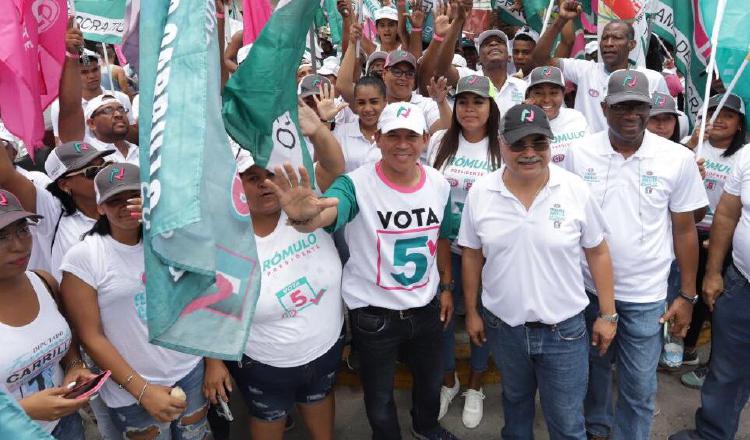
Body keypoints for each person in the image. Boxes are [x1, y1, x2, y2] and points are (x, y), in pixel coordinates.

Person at [265, 102, 459, 440]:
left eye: (410, 136)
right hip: (374, 314)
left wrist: (446, 286)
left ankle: (425, 427)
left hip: (425, 308)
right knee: (379, 396)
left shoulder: (439, 184)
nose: (402, 144)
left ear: (425, 139)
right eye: (393, 136)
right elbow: (329, 212)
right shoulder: (355, 184)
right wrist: (306, 216)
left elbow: (441, 236)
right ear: (378, 139)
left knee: (429, 381)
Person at [562, 70, 708, 440]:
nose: (631, 115)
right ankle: (596, 429)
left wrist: (686, 295)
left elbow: (685, 230)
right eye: (622, 106)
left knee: (639, 388)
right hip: (588, 291)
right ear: (604, 106)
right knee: (595, 374)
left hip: (646, 297)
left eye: (639, 107)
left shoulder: (676, 158)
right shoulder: (579, 154)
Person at [460, 103, 616, 439]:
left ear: (550, 144)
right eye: (519, 144)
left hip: (565, 331)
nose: (529, 153)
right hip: (505, 328)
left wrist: (608, 314)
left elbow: (598, 250)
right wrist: (471, 312)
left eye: (539, 143)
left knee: (566, 420)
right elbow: (472, 254)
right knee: (515, 405)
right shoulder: (481, 192)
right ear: (501, 143)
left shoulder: (574, 189)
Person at [59, 163, 213, 439]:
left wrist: (213, 361)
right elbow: (90, 336)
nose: (126, 206)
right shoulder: (84, 257)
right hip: (131, 388)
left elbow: (197, 297)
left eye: (134, 195)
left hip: (189, 369)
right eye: (114, 200)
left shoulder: (169, 238)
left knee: (196, 435)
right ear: (100, 208)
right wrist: (142, 390)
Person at [225, 98, 346, 440]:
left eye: (271, 174)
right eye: (253, 177)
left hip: (324, 350)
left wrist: (319, 131)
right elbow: (209, 307)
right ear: (237, 184)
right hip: (264, 365)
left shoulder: (305, 205)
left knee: (321, 413)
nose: (265, 183)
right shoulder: (227, 239)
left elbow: (335, 167)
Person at [425, 75, 501, 429]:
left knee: (480, 320)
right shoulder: (441, 139)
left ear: (491, 107)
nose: (469, 109)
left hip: (487, 255)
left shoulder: (501, 145)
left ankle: (475, 383)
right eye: (463, 102)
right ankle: (448, 379)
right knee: (442, 317)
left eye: (478, 102)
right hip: (443, 249)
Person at [668, 140, 750, 440]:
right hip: (743, 284)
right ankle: (712, 434)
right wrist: (713, 272)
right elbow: (727, 214)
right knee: (727, 371)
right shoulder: (748, 155)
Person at [0, 189, 95, 439]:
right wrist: (23, 410)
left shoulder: (44, 282)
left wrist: (74, 366)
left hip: (67, 425)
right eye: (1, 237)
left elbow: (67, 335)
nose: (19, 246)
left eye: (22, 230)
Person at [680, 94, 747, 389]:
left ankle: (706, 361)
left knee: (712, 303)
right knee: (685, 293)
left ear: (739, 125)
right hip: (686, 233)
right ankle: (682, 348)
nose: (718, 119)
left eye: (727, 115)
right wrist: (691, 146)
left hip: (719, 241)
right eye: (713, 112)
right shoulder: (692, 145)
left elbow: (732, 211)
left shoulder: (742, 156)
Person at [527, 1, 669, 133]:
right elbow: (540, 59)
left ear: (631, 44)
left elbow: (665, 120)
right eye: (605, 38)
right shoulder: (585, 71)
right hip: (589, 157)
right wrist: (561, 20)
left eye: (617, 38)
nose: (609, 43)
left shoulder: (653, 79)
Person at [0, 141, 114, 282]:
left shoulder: (122, 206)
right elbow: (5, 174)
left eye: (106, 167)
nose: (102, 175)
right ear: (64, 184)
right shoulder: (53, 212)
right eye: (91, 172)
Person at [420, 1, 527, 116]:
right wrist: (457, 23)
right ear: (479, 58)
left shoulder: (523, 87)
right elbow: (442, 69)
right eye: (486, 44)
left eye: (500, 42)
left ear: (509, 56)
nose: (493, 44)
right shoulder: (469, 78)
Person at [52, 22, 134, 145]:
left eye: (95, 70)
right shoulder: (60, 106)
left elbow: (132, 135)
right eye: (84, 72)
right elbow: (61, 144)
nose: (91, 76)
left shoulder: (120, 98)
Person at [524, 66, 589, 164]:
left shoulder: (576, 118)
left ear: (563, 94)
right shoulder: (520, 123)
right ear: (528, 95)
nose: (546, 99)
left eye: (553, 93)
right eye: (538, 93)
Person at [333, 76, 388, 172]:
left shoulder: (395, 133)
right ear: (355, 104)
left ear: (385, 102)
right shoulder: (339, 133)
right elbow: (322, 167)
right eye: (361, 103)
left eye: (374, 102)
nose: (367, 109)